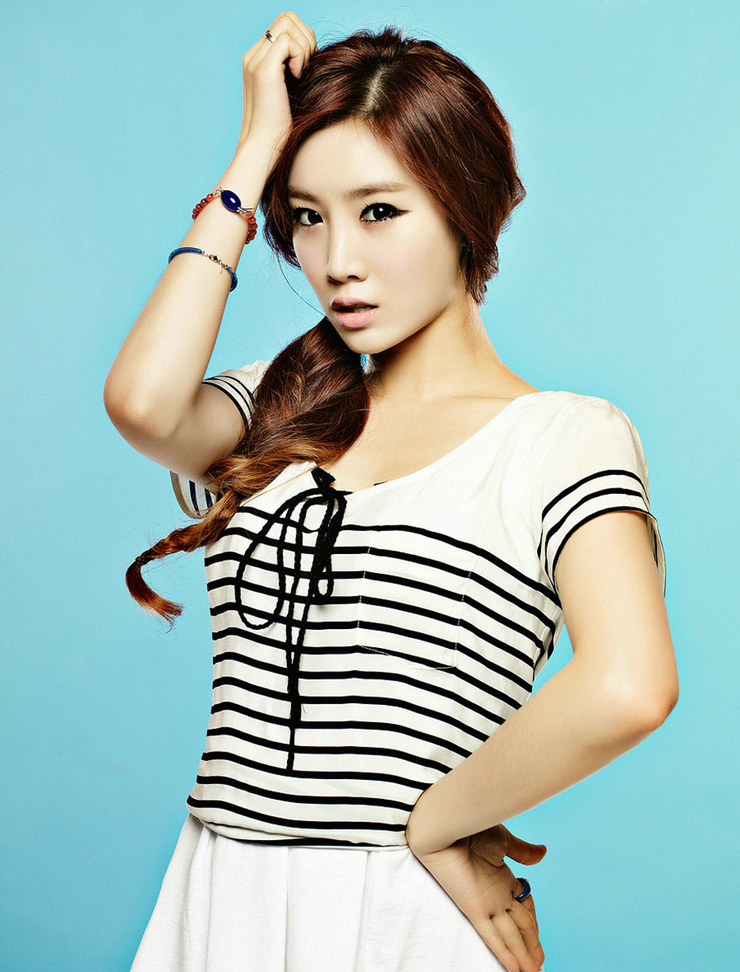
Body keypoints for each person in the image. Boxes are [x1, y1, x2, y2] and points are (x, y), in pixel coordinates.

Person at [104, 12, 678, 972]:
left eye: (379, 211)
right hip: (217, 894)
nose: (337, 260)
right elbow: (140, 401)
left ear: (463, 206)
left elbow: (630, 684)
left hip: (401, 911)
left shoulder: (562, 439)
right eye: (307, 216)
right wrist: (255, 150)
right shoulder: (279, 405)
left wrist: (439, 822)